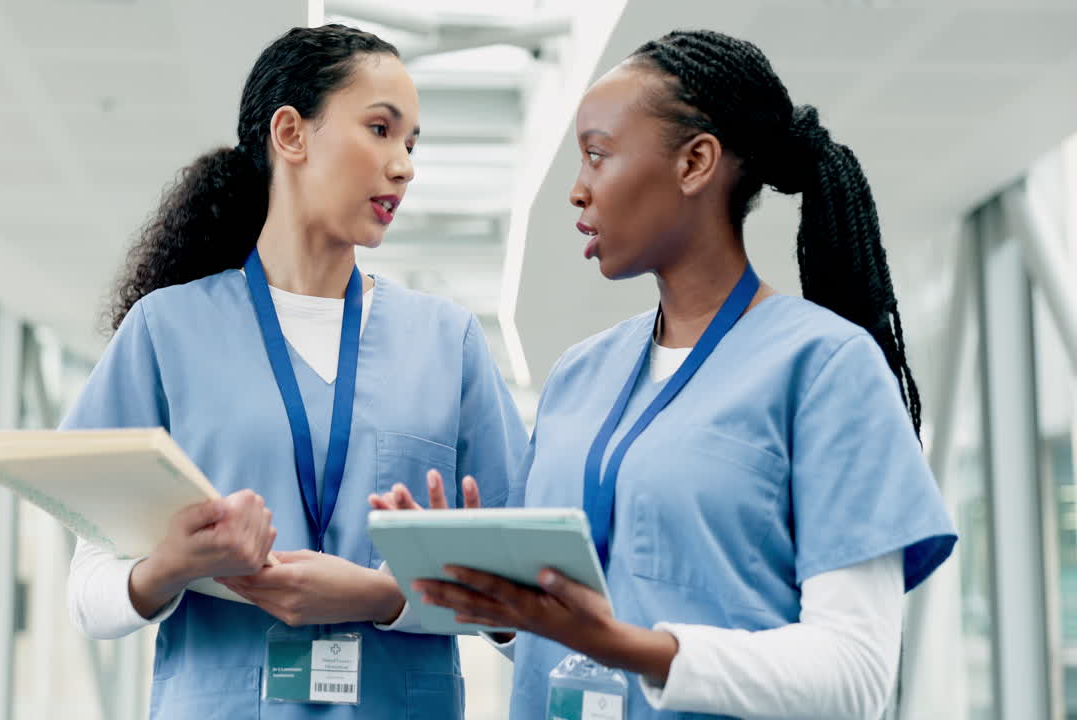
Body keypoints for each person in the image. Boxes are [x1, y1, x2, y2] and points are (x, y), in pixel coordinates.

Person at [374, 29, 957, 720]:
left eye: (596, 155)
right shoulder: (579, 375)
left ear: (695, 163)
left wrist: (632, 647)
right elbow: (551, 633)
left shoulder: (827, 367)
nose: (577, 191)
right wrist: (483, 590)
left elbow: (855, 676)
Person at [63, 24, 526, 720]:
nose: (403, 165)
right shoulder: (168, 330)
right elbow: (88, 590)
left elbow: (532, 605)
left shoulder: (446, 342)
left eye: (412, 142)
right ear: (291, 134)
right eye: (380, 129)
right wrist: (173, 566)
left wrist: (391, 595)